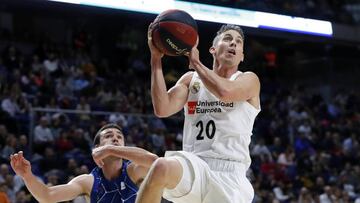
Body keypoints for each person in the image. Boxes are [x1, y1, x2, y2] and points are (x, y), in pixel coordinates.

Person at [136, 24, 261, 203]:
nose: (233, 43)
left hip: (230, 175)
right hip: (194, 165)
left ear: (241, 56)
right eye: (227, 39)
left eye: (238, 42)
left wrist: (195, 62)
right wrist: (156, 59)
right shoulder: (190, 80)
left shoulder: (249, 80)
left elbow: (225, 93)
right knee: (161, 166)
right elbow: (162, 108)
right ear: (213, 49)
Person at [10, 123, 158, 203]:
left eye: (119, 137)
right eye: (109, 136)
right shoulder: (88, 182)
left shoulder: (135, 170)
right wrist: (27, 176)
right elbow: (47, 196)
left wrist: (112, 149)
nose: (115, 139)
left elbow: (155, 161)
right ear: (97, 148)